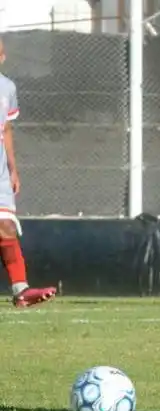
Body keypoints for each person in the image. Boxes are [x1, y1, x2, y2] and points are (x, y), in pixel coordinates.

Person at [0, 39, 57, 307]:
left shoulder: (7, 87)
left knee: (7, 226)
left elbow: (6, 129)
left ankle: (20, 291)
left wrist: (13, 168)